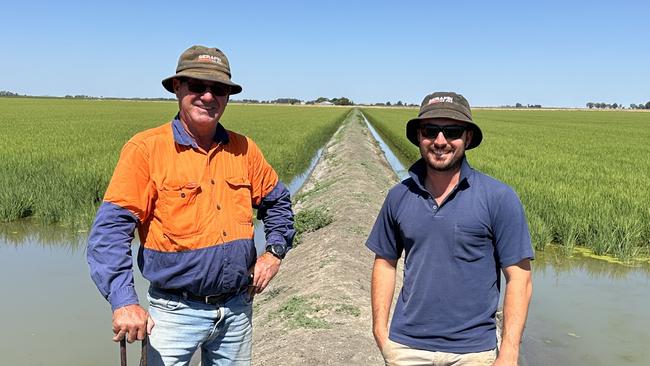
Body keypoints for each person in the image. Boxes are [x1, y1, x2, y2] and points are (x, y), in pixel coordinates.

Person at [87, 45, 295, 365]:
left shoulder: (244, 149)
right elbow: (110, 234)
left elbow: (278, 202)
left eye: (219, 89)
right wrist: (124, 301)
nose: (208, 97)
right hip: (174, 314)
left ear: (227, 96)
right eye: (197, 86)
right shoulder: (146, 149)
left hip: (237, 309)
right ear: (177, 88)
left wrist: (274, 252)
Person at [367, 92, 533, 366]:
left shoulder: (499, 198)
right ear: (419, 136)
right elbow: (385, 262)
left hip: (473, 352)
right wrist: (381, 333)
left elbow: (519, 279)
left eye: (452, 131)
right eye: (431, 131)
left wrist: (509, 351)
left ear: (467, 137)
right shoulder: (398, 196)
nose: (440, 141)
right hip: (406, 348)